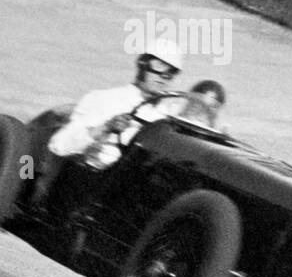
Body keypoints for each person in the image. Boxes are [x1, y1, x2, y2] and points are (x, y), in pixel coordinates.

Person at [30, 38, 185, 207]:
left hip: (141, 190)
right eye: (158, 67)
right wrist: (106, 128)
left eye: (170, 72)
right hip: (92, 187)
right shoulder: (104, 99)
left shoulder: (169, 117)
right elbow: (59, 145)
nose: (163, 77)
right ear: (143, 64)